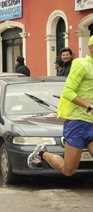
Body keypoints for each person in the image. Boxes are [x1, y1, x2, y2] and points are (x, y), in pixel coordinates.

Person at [27, 35, 93, 176]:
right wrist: (89, 106)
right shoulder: (81, 65)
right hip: (78, 122)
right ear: (91, 48)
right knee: (68, 170)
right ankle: (42, 154)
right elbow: (67, 92)